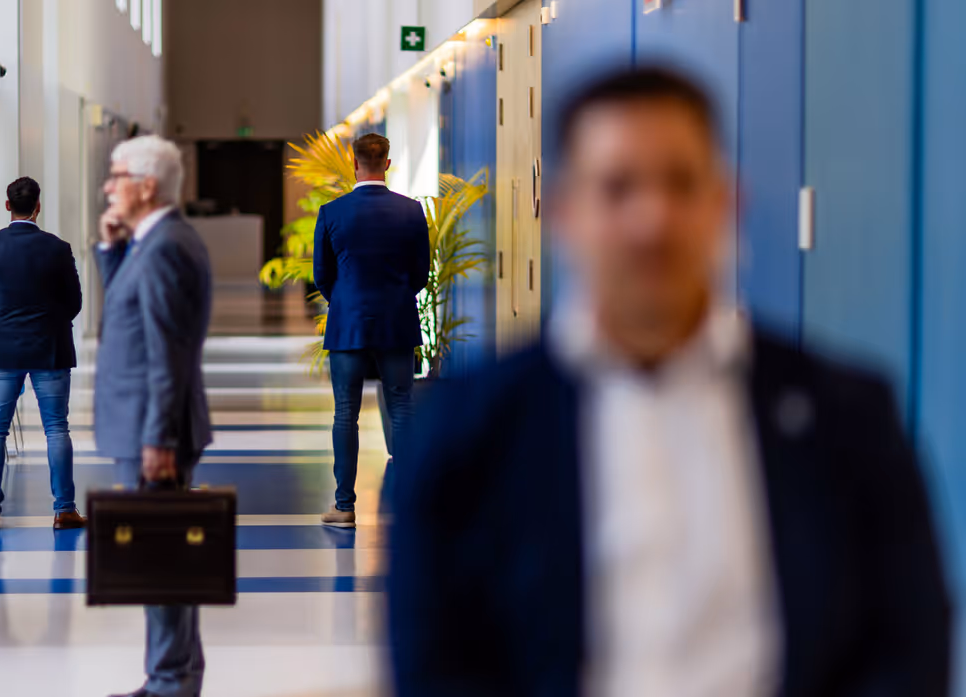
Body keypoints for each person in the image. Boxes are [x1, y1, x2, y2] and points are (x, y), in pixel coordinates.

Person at [386, 67, 951, 696]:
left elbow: (909, 644)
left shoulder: (845, 416)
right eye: (618, 188)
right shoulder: (467, 429)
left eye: (681, 184)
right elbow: (433, 662)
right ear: (565, 213)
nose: (652, 220)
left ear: (725, 204)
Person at [95, 135, 213, 697]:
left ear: (146, 186)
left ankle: (171, 681)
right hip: (147, 424)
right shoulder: (154, 241)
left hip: (154, 429)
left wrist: (159, 438)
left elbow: (168, 351)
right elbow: (131, 312)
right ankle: (172, 674)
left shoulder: (166, 246)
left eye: (116, 176)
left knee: (161, 562)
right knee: (163, 560)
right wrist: (111, 250)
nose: (107, 187)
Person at [314, 133, 430, 528]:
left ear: (354, 163)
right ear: (388, 163)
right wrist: (395, 297)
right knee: (402, 406)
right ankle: (411, 505)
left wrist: (346, 301)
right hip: (397, 320)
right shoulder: (411, 211)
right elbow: (420, 273)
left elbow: (322, 275)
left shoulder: (332, 212)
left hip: (348, 322)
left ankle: (344, 506)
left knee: (345, 413)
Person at [0, 177, 84, 530]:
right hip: (50, 348)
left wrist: (2, 321)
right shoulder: (58, 248)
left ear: (8, 205)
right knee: (56, 429)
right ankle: (64, 510)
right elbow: (74, 302)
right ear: (38, 206)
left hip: (1, 350)